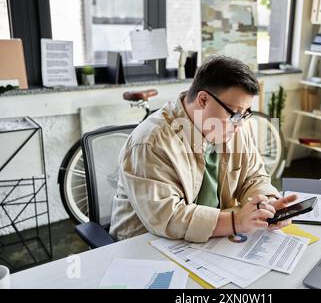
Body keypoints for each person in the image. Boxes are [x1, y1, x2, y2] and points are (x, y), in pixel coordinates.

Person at [110, 56, 296, 242]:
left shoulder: (237, 126)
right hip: (147, 246)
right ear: (203, 100)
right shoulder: (150, 142)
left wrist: (267, 204)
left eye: (245, 113)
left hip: (210, 242)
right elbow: (168, 218)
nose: (240, 123)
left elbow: (254, 177)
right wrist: (237, 221)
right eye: (234, 113)